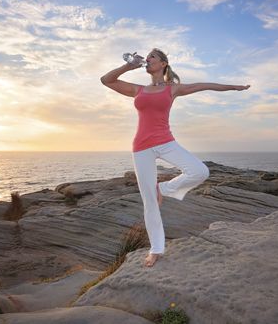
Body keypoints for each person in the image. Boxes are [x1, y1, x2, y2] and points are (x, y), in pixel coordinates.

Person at [100, 48, 250, 267]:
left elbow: (205, 85)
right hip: (141, 147)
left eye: (152, 56)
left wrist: (232, 87)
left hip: (165, 141)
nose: (148, 59)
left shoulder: (172, 89)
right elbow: (106, 80)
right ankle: (156, 249)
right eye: (148, 57)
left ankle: (165, 189)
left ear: (163, 64)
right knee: (149, 202)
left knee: (200, 171)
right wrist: (128, 66)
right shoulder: (138, 90)